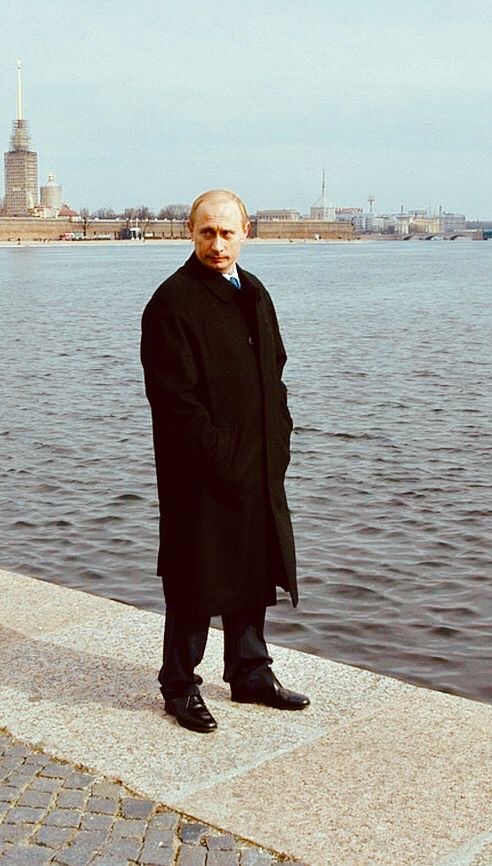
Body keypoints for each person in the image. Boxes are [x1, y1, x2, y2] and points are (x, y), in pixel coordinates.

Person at [140, 189, 309, 733]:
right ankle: (179, 684)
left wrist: (278, 438)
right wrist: (219, 456)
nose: (217, 244)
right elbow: (174, 400)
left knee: (253, 566)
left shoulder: (254, 291)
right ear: (189, 232)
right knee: (195, 576)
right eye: (207, 232)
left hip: (258, 461)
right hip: (201, 470)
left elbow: (275, 370)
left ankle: (249, 670)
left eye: (227, 232)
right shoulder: (172, 302)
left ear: (245, 233)